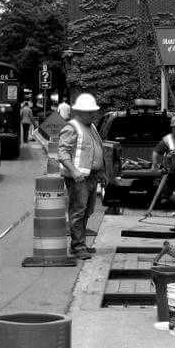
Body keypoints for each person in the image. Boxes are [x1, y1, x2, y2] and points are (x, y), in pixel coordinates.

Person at [56, 93, 106, 260]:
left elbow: (97, 151)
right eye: (90, 112)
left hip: (89, 177)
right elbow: (62, 153)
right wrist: (74, 171)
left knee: (86, 211)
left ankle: (80, 244)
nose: (94, 115)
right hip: (78, 178)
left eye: (94, 112)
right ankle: (78, 247)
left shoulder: (91, 127)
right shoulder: (72, 127)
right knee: (78, 211)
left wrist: (101, 172)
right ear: (80, 112)